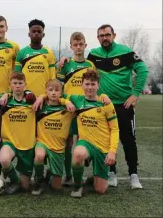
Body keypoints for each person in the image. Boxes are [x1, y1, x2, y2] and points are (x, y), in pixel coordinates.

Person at [59, 24, 149, 189]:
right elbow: (79, 62)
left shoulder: (125, 51)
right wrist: (65, 59)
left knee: (128, 139)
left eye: (107, 35)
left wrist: (135, 93)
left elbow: (142, 70)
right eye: (101, 36)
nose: (104, 38)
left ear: (113, 35)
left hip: (124, 104)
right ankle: (111, 172)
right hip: (103, 106)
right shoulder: (94, 56)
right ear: (98, 38)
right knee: (105, 140)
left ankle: (133, 175)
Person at [68, 69, 119, 198]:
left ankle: (93, 178)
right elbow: (58, 96)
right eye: (87, 84)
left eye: (93, 84)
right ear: (82, 85)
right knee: (78, 153)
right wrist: (66, 102)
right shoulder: (76, 99)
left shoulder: (106, 103)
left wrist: (112, 151)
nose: (89, 87)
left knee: (100, 190)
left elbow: (114, 129)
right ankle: (77, 185)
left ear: (98, 85)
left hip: (102, 147)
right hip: (85, 143)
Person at [56, 32, 96, 186]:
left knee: (83, 143)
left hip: (85, 110)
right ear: (71, 46)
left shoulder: (90, 65)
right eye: (75, 44)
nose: (78, 47)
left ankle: (84, 164)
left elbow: (94, 87)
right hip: (68, 109)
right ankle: (68, 176)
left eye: (81, 44)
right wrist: (65, 101)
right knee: (67, 144)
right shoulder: (65, 64)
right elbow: (58, 87)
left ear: (85, 45)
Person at [31, 79, 75, 195]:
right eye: (50, 90)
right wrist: (41, 97)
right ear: (46, 92)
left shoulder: (67, 109)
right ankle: (39, 180)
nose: (54, 93)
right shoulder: (40, 107)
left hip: (58, 148)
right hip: (43, 142)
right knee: (39, 155)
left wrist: (65, 101)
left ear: (61, 93)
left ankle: (50, 176)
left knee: (56, 188)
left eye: (57, 90)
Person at [0, 73, 36, 194]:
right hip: (10, 142)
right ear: (10, 85)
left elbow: (48, 97)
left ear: (25, 85)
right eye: (15, 83)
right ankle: (15, 181)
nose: (18, 86)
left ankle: (46, 176)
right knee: (4, 159)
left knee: (25, 188)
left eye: (20, 83)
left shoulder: (32, 101)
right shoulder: (4, 101)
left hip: (27, 145)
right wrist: (5, 94)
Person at [14, 19, 56, 96]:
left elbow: (52, 78)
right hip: (25, 96)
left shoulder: (49, 53)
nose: (36, 33)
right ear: (29, 34)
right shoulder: (22, 52)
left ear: (43, 34)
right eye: (33, 31)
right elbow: (16, 77)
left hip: (44, 96)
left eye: (39, 31)